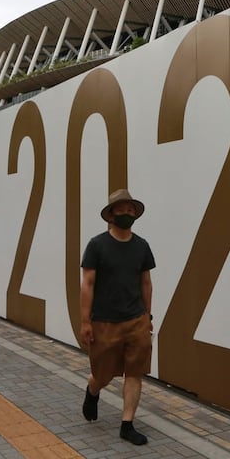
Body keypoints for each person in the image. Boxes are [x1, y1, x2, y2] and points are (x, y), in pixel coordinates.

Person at [80, 189, 155, 446]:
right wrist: (85, 321)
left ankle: (127, 424)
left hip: (136, 321)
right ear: (111, 214)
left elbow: (146, 282)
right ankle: (92, 391)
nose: (127, 213)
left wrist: (148, 315)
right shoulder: (97, 245)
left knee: (134, 372)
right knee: (103, 374)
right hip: (104, 321)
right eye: (121, 209)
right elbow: (87, 284)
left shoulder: (142, 246)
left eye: (131, 209)